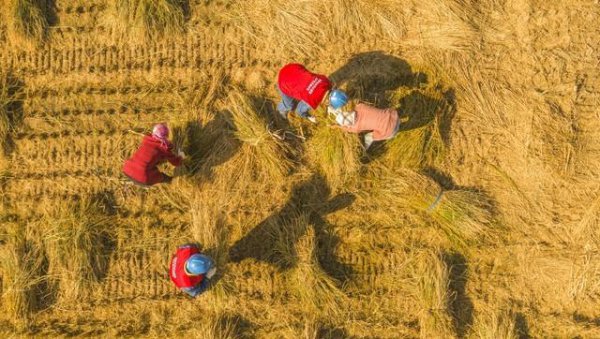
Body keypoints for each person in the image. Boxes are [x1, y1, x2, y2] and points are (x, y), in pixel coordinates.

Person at [327, 92, 400, 150]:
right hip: (393, 116)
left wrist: (336, 126)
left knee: (368, 137)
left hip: (389, 131)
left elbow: (345, 128)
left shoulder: (355, 128)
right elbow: (352, 104)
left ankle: (364, 150)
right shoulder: (360, 106)